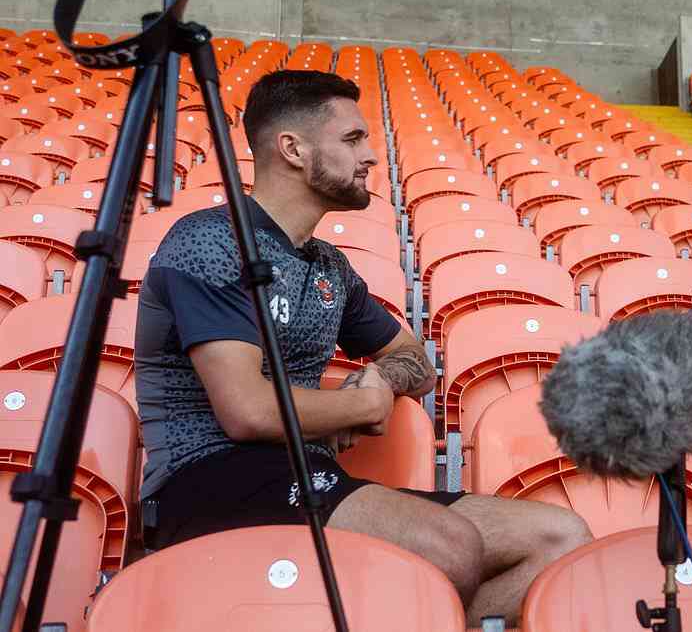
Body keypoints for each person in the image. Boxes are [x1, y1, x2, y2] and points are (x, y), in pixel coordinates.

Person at [134, 70, 592, 625]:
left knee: (559, 540)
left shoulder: (329, 267)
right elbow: (248, 412)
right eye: (352, 139)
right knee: (446, 546)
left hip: (308, 477)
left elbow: (416, 363)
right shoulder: (210, 239)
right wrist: (362, 405)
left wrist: (382, 379)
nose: (371, 156)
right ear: (293, 149)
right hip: (208, 480)